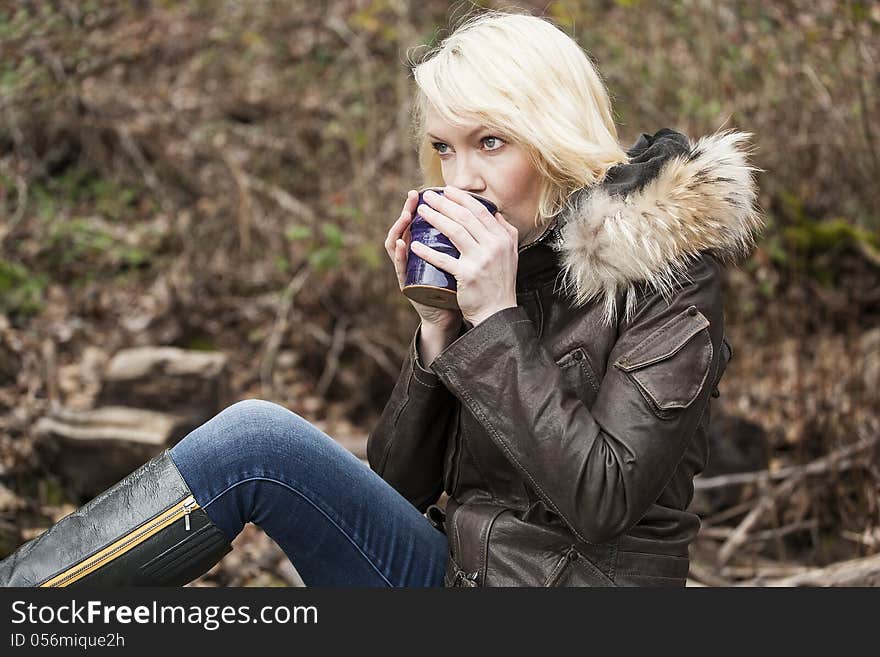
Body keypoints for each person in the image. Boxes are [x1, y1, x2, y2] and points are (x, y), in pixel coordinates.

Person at [0, 10, 761, 588]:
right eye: (443, 147)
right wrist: (438, 333)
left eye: (490, 142)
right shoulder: (511, 263)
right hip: (451, 577)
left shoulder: (666, 275)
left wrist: (495, 322)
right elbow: (398, 485)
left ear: (553, 135)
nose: (459, 178)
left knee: (257, 439)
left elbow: (602, 497)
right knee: (255, 442)